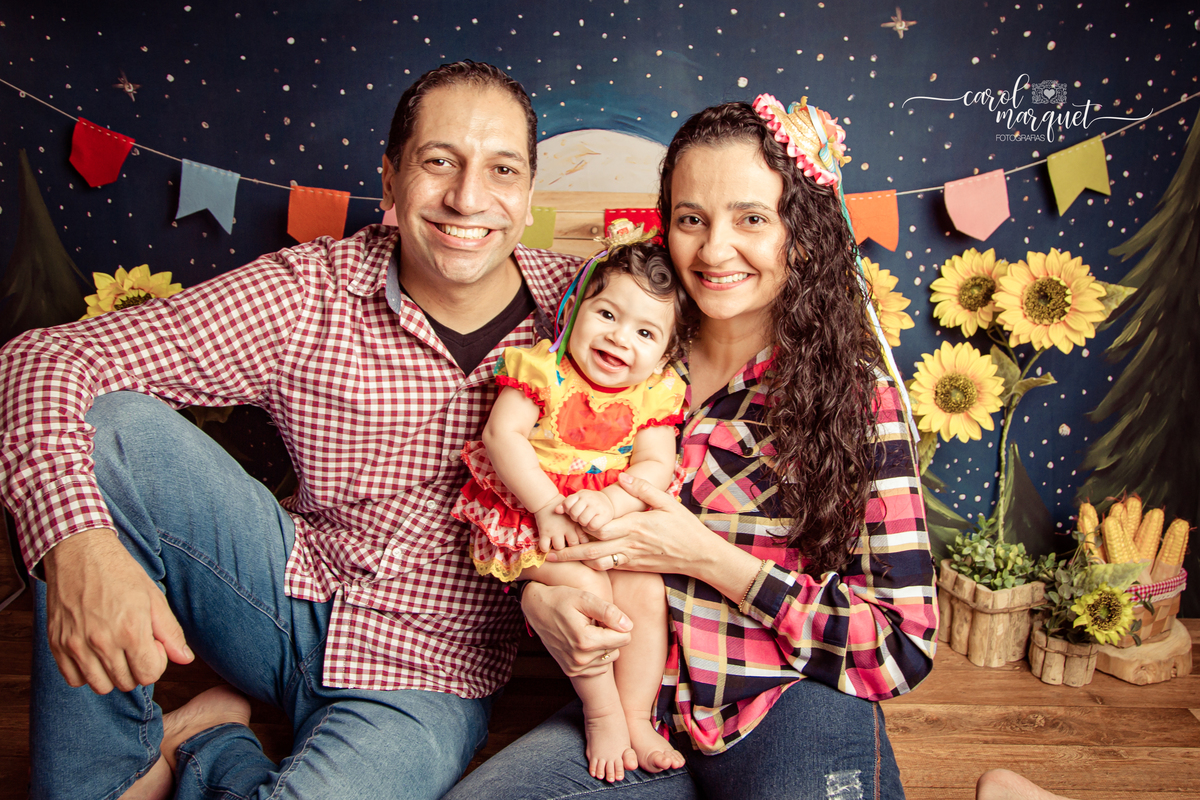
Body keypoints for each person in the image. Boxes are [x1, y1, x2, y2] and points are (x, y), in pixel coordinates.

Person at [0, 61, 581, 800]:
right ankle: (107, 778)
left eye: (500, 169)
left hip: (429, 676)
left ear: (528, 192)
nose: (468, 197)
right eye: (439, 161)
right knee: (115, 429)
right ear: (391, 180)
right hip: (281, 599)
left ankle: (214, 748)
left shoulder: (592, 310)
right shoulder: (307, 292)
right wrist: (77, 544)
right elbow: (39, 357)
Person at [448, 94, 939, 799]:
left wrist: (707, 558)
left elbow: (901, 645)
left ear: (800, 231)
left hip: (788, 702)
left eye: (751, 219)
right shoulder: (615, 362)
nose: (712, 250)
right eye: (690, 219)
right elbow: (538, 506)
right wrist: (537, 600)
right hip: (634, 712)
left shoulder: (854, 401)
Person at [453, 235, 689, 782]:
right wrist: (546, 506)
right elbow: (500, 435)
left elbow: (657, 466)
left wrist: (611, 499)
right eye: (607, 312)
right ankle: (602, 712)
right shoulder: (544, 368)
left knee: (645, 594)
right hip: (536, 525)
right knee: (591, 595)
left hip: (610, 521)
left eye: (645, 331)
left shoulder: (656, 392)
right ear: (573, 310)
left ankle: (636, 715)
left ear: (667, 353)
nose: (619, 337)